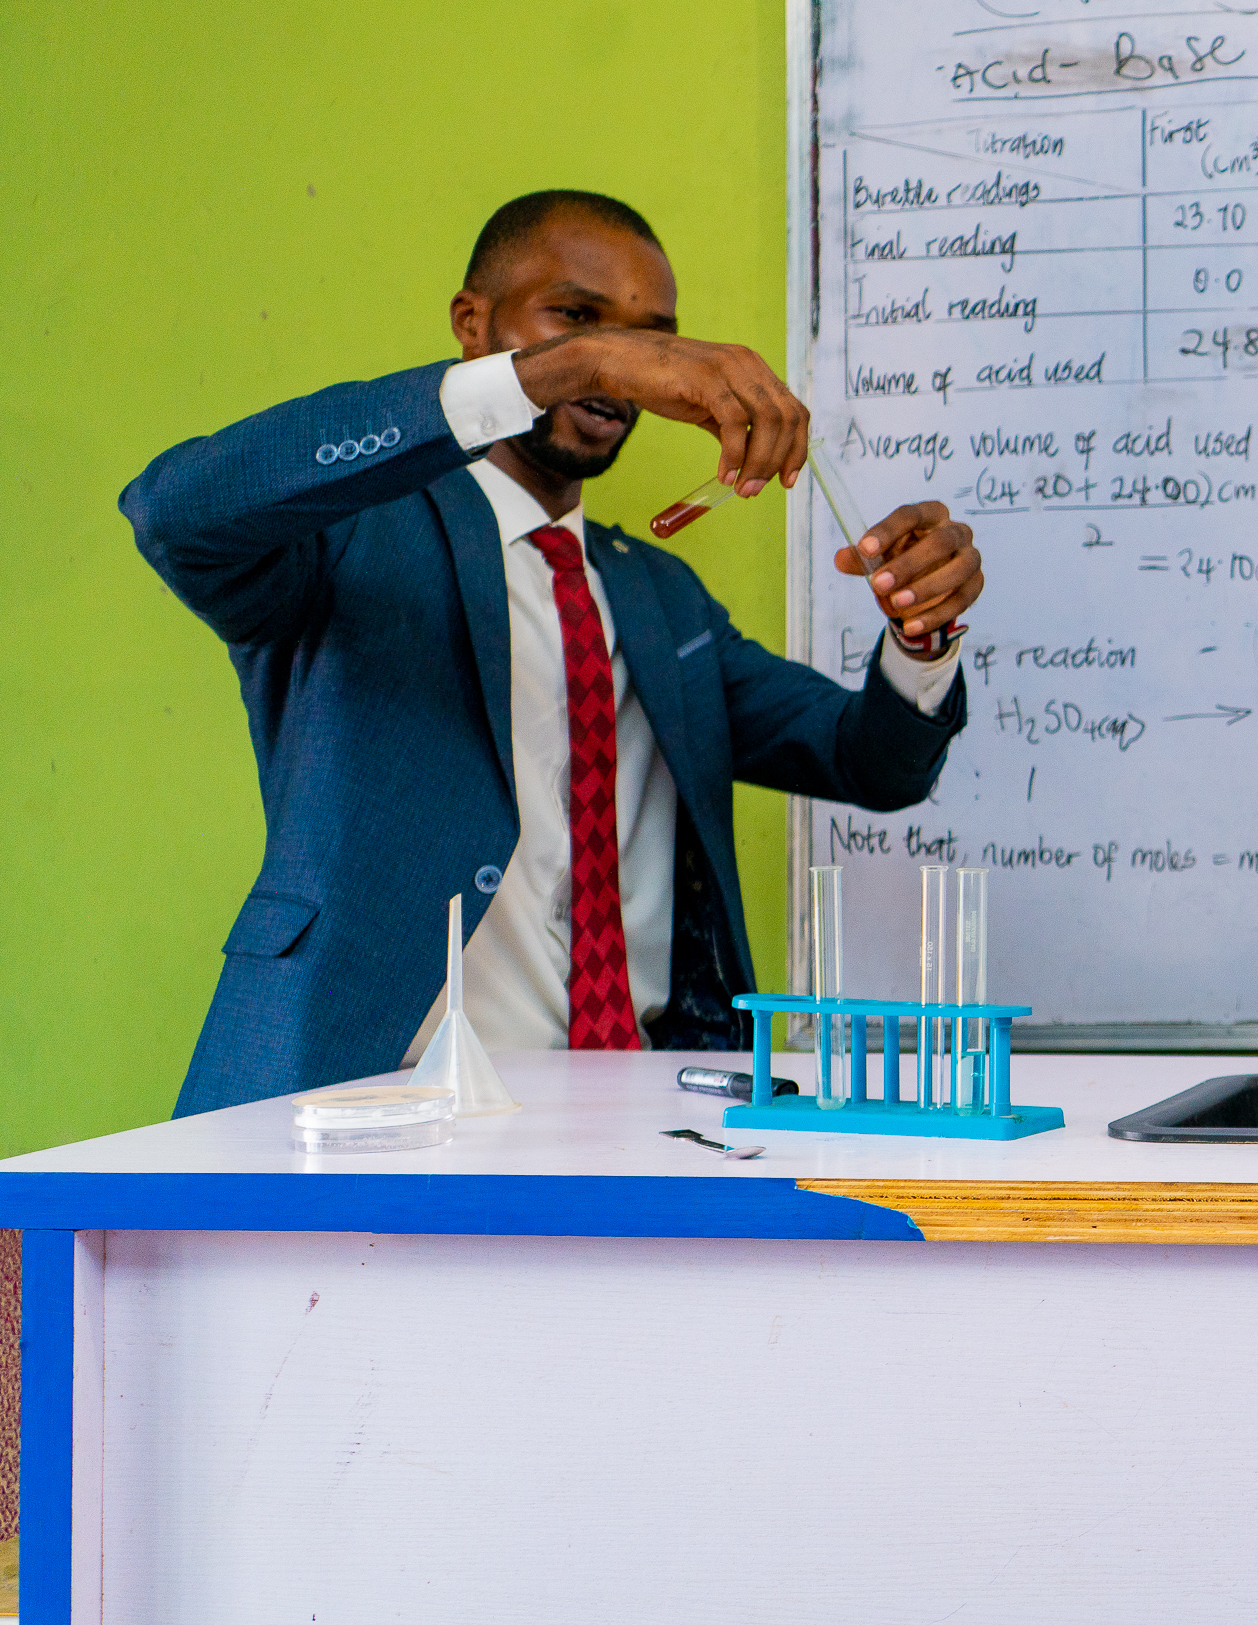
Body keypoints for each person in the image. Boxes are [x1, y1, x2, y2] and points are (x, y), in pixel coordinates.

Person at [124, 190, 986, 1113]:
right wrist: (562, 369)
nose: (625, 371)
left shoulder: (660, 597)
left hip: (644, 1113)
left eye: (654, 339)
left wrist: (918, 635)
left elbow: (868, 758)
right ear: (473, 324)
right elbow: (178, 512)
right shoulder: (352, 538)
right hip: (371, 1110)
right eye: (578, 318)